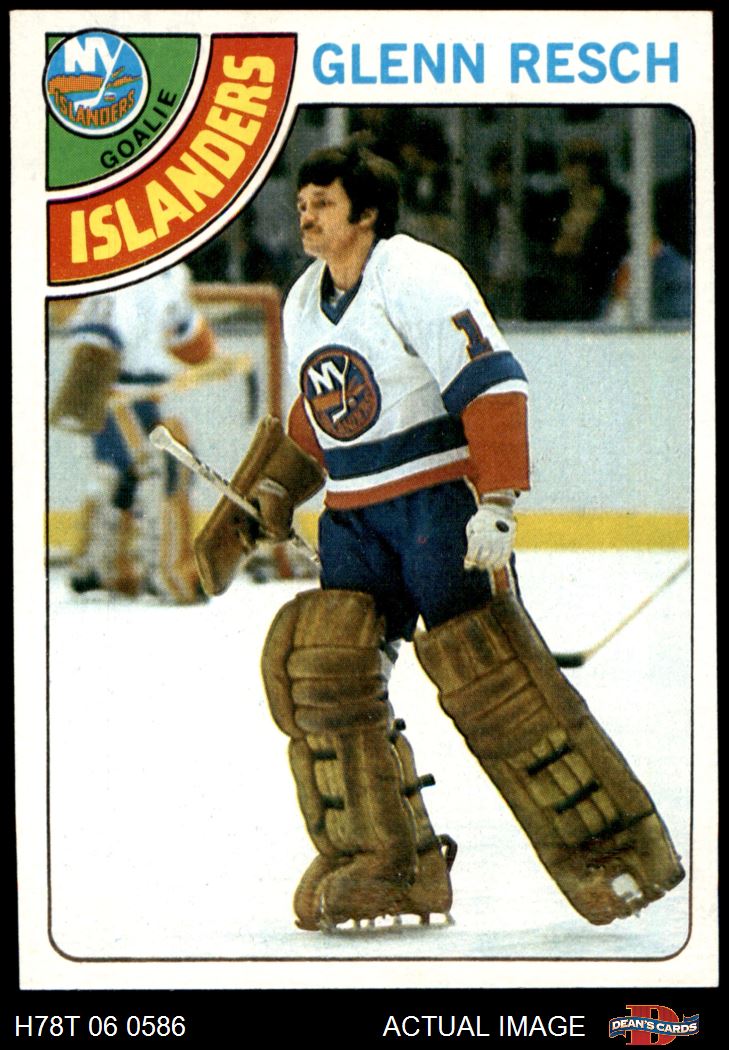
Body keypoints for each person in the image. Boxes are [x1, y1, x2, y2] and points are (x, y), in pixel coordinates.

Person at [193, 142, 684, 931]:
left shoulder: (417, 274)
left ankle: (613, 851)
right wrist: (274, 492)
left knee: (496, 682)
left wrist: (497, 503)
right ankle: (390, 866)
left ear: (366, 213)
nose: (305, 216)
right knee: (326, 673)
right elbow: (316, 418)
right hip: (354, 517)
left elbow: (492, 384)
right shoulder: (303, 298)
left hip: (434, 508)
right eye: (303, 203)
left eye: (322, 203)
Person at [50, 263, 218, 604]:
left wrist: (212, 355)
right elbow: (94, 341)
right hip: (114, 393)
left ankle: (99, 565)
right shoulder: (114, 270)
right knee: (162, 464)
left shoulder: (172, 273)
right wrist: (97, 393)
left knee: (125, 473)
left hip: (144, 396)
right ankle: (163, 571)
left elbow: (188, 335)